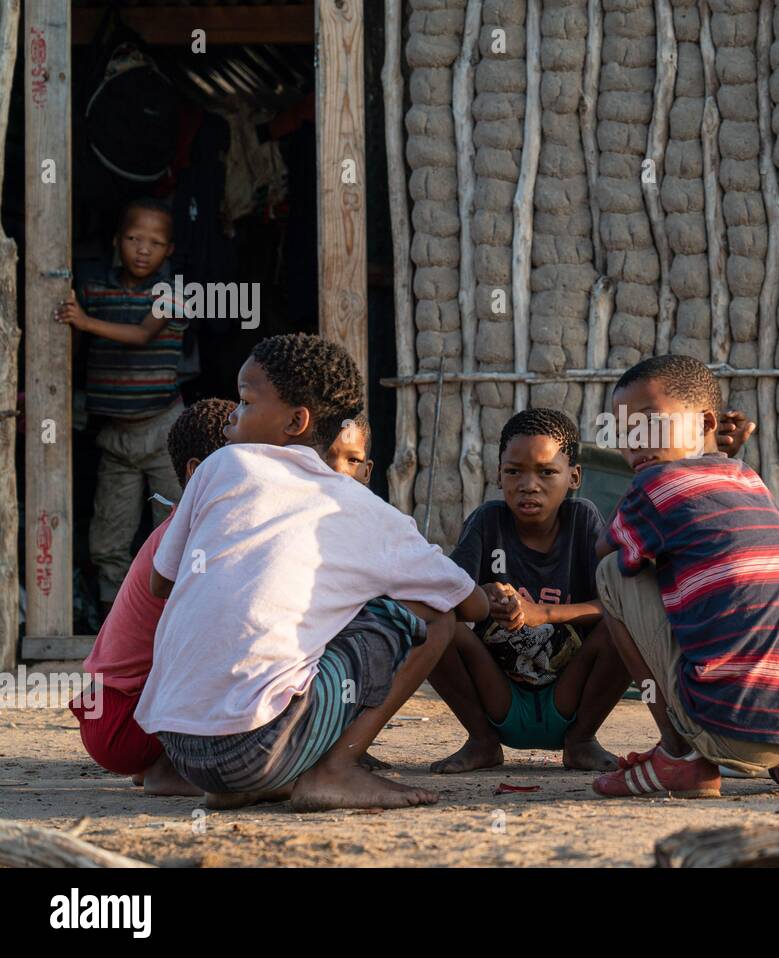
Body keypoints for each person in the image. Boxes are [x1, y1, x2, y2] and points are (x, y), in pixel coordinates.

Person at [135, 333, 489, 811]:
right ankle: (336, 771)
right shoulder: (360, 508)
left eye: (244, 401)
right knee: (433, 618)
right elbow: (469, 605)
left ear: (296, 422)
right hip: (255, 748)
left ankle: (250, 783)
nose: (230, 419)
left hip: (179, 751)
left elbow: (162, 580)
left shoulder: (220, 467)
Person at [592, 355, 779, 798]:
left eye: (650, 423)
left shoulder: (653, 487)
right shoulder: (748, 479)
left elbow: (603, 549)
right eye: (623, 433)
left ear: (706, 424)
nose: (635, 443)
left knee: (610, 574)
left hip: (730, 730)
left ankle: (679, 758)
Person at [429, 408, 630, 773]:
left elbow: (616, 604)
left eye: (547, 472)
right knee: (433, 622)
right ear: (498, 474)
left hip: (571, 697)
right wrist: (482, 598)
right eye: (514, 471)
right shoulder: (488, 522)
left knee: (627, 624)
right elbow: (446, 596)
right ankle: (482, 741)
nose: (529, 484)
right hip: (499, 697)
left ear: (574, 477)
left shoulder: (582, 521)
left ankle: (582, 741)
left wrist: (543, 612)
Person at [68, 399, 234, 796]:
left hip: (116, 714)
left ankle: (162, 761)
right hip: (128, 720)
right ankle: (170, 768)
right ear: (198, 472)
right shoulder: (199, 534)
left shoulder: (183, 526)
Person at [55, 199, 188, 615]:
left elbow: (143, 335)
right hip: (115, 435)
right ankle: (113, 627)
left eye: (155, 242)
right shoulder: (94, 290)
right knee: (108, 540)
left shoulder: (176, 293)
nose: (143, 249)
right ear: (117, 242)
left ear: (170, 251)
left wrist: (85, 321)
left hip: (164, 433)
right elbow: (70, 350)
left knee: (173, 534)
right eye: (133, 239)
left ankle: (169, 623)